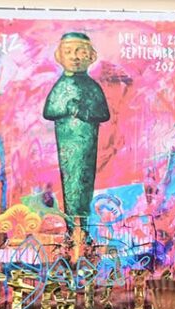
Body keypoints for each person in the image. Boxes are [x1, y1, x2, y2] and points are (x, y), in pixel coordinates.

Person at [43, 32, 110, 232]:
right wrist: (66, 108)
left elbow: (103, 113)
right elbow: (49, 111)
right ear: (59, 56)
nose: (75, 57)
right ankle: (73, 230)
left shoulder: (92, 87)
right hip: (67, 146)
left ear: (91, 56)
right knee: (71, 184)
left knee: (84, 183)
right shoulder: (61, 86)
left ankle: (83, 231)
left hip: (87, 144)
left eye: (80, 52)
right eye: (69, 52)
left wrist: (83, 111)